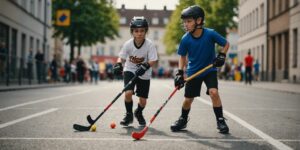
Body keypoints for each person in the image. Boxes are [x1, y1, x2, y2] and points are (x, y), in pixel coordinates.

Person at [170, 5, 230, 134]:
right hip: (193, 72)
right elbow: (182, 56)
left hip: (210, 70)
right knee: (188, 99)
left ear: (199, 21)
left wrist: (222, 55)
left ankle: (220, 120)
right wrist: (180, 73)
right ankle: (183, 119)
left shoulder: (210, 34)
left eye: (189, 21)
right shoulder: (185, 39)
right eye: (184, 21)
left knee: (214, 92)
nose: (185, 24)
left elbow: (226, 44)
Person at [113, 16, 158, 126]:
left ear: (145, 31)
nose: (139, 33)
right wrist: (118, 64)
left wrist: (145, 66)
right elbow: (121, 57)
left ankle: (138, 112)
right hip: (130, 70)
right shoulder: (128, 44)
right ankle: (129, 115)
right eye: (136, 31)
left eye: (142, 31)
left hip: (144, 72)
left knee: (143, 101)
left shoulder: (149, 44)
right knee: (128, 93)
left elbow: (153, 60)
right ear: (132, 32)